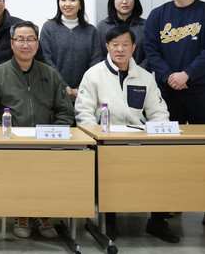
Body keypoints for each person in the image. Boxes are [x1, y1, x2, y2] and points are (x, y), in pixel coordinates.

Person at [75, 25, 175, 243]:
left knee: (164, 161)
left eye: (125, 45)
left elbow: (159, 112)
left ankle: (158, 221)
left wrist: (159, 136)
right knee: (106, 164)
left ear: (133, 48)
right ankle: (109, 219)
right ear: (107, 47)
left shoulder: (145, 77)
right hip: (106, 142)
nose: (120, 49)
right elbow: (84, 113)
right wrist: (97, 140)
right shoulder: (93, 75)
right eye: (115, 45)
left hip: (140, 141)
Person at [144, 0, 205, 227]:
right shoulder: (158, 15)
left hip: (202, 91)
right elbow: (151, 50)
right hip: (168, 92)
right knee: (169, 150)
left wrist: (187, 74)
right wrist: (170, 76)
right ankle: (172, 201)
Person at [0, 21, 73, 239]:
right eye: (20, 40)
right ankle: (21, 213)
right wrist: (7, 135)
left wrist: (53, 135)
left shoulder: (50, 74)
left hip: (46, 145)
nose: (25, 45)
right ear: (11, 44)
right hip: (11, 145)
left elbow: (65, 112)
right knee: (20, 167)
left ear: (37, 44)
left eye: (30, 39)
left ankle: (41, 212)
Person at [40, 0, 102, 102]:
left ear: (80, 5)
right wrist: (64, 86)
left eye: (72, 0)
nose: (67, 4)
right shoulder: (49, 28)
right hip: (54, 92)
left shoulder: (91, 31)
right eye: (63, 0)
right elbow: (46, 60)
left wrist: (81, 88)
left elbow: (95, 62)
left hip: (85, 94)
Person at [97, 0, 148, 69]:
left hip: (139, 75)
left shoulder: (145, 25)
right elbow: (99, 56)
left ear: (135, 0)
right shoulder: (103, 26)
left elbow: (150, 56)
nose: (124, 1)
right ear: (113, 0)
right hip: (109, 75)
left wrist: (136, 73)